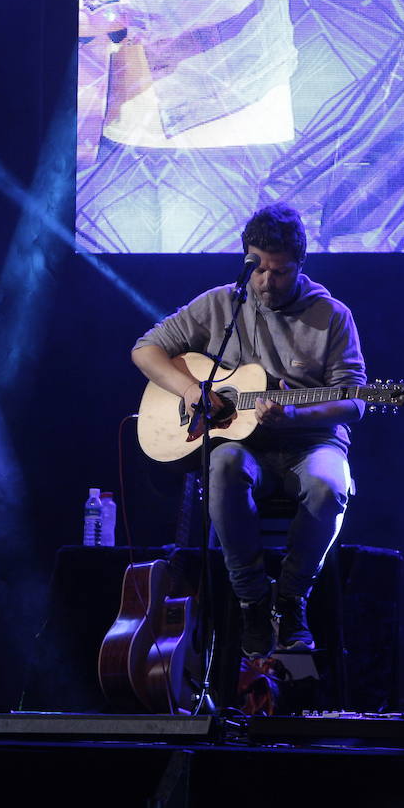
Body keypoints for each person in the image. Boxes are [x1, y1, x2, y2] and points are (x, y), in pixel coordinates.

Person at [130, 203, 366, 656]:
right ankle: (252, 601)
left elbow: (355, 401)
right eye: (257, 269)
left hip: (310, 441)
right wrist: (189, 389)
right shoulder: (221, 304)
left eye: (279, 272)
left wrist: (294, 417)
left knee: (328, 485)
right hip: (245, 445)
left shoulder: (333, 316)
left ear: (300, 266)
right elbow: (146, 350)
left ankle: (292, 598)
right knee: (223, 468)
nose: (266, 282)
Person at [78, 0, 298, 253]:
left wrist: (119, 9)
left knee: (194, 294)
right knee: (116, 293)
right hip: (122, 119)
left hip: (215, 120)